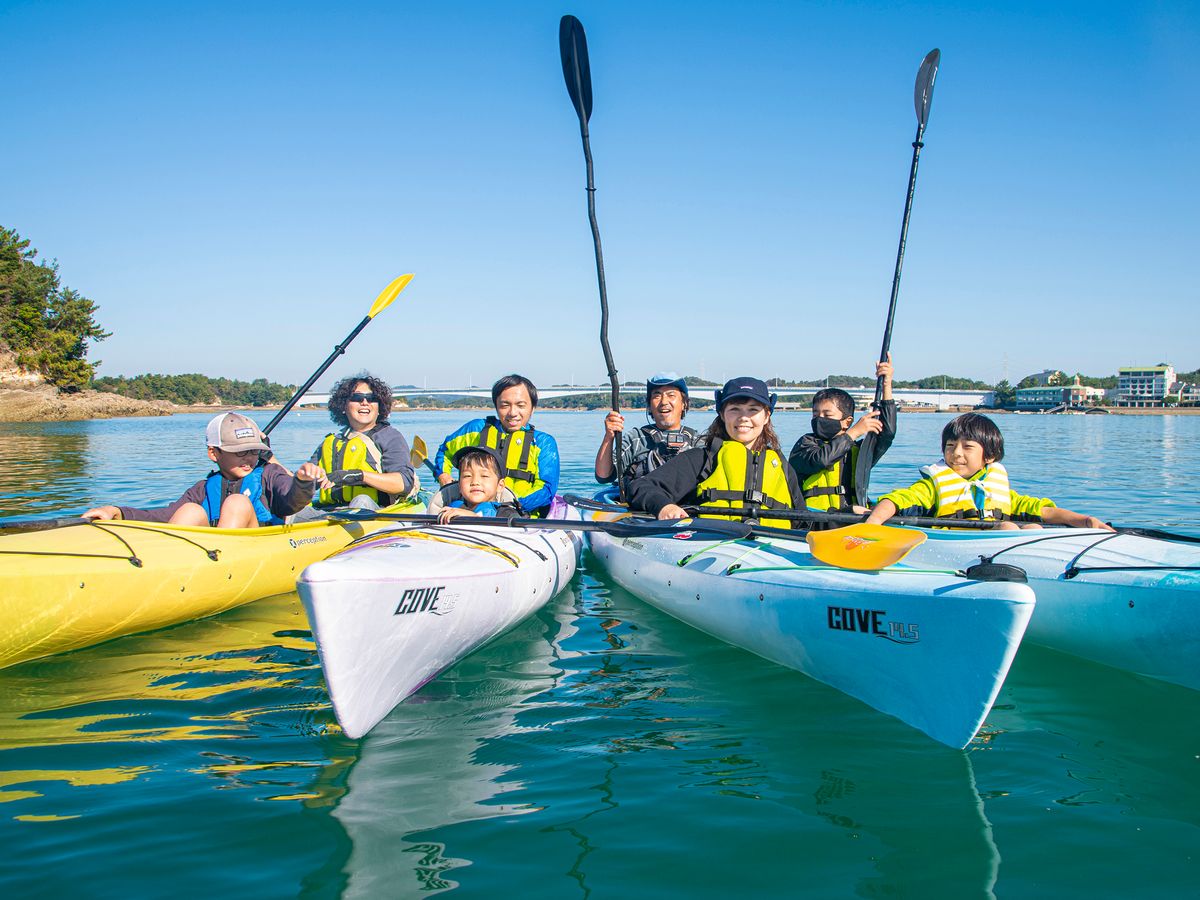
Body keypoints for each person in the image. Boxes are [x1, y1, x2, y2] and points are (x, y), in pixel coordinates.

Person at [864, 412, 1114, 531]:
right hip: (957, 549)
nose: (956, 453)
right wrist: (872, 524)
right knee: (1008, 528)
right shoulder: (933, 486)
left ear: (990, 456)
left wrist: (1084, 521)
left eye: (967, 447)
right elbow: (895, 500)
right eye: (950, 446)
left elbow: (1042, 510)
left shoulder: (997, 487)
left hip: (999, 550)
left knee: (1034, 528)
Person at [82, 412, 319, 527]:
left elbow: (291, 500)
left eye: (254, 451)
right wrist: (118, 512)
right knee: (189, 511)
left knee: (237, 503)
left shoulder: (269, 474)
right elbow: (163, 517)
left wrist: (303, 482)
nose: (248, 458)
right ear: (214, 453)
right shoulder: (203, 488)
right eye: (239, 452)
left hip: (254, 551)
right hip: (211, 556)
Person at [627, 376, 804, 528]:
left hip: (772, 550)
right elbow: (641, 487)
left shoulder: (782, 468)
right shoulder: (701, 459)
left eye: (753, 410)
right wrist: (664, 507)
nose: (744, 417)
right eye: (734, 409)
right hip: (714, 545)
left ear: (766, 416)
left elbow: (803, 522)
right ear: (722, 414)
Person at [435, 374, 559, 517]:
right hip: (469, 508)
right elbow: (445, 451)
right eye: (505, 405)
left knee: (492, 510)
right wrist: (443, 475)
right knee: (455, 504)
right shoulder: (476, 429)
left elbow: (546, 489)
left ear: (532, 408)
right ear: (496, 406)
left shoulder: (543, 442)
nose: (513, 413)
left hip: (517, 514)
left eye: (520, 405)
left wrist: (508, 505)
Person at [297, 373, 417, 521]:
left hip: (373, 510)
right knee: (294, 510)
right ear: (343, 406)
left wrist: (359, 475)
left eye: (372, 398)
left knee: (362, 499)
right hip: (330, 513)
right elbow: (299, 482)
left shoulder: (390, 437)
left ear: (379, 407)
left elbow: (403, 483)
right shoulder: (331, 442)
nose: (365, 402)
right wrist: (269, 458)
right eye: (357, 398)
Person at [790, 355, 896, 513]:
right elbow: (821, 460)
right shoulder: (804, 444)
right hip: (815, 519)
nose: (820, 419)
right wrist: (854, 432)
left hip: (851, 517)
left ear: (847, 421)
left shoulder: (859, 452)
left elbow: (887, 434)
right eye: (815, 414)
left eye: (827, 415)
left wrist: (887, 386)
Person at [594, 372, 704, 497]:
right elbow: (603, 475)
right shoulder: (635, 439)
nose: (664, 401)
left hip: (685, 511)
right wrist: (609, 436)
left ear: (684, 404)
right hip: (639, 510)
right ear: (649, 406)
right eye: (657, 396)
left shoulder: (698, 441)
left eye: (671, 395)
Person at [427, 447, 521, 523]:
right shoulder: (450, 509)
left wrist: (473, 516)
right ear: (459, 485)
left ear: (500, 486)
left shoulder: (507, 514)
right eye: (467, 476)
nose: (475, 482)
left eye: (484, 476)